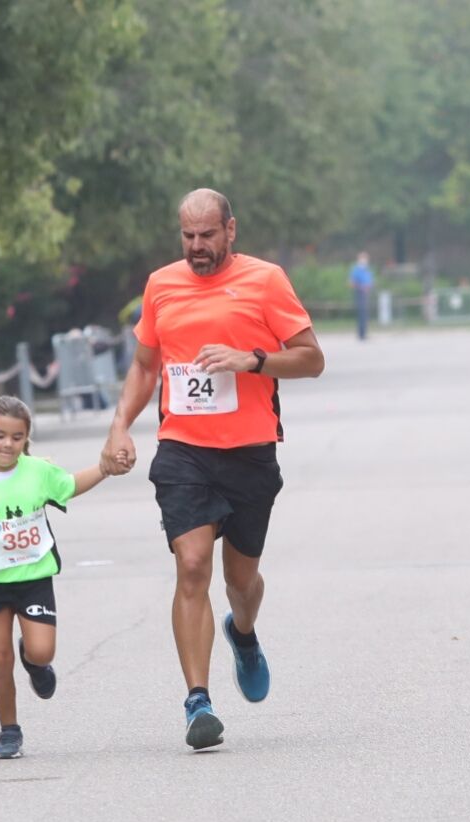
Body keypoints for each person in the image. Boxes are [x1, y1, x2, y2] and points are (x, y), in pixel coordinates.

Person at [100, 188, 324, 751]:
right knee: (192, 566)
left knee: (240, 582)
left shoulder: (266, 281)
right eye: (187, 236)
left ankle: (242, 633)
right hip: (184, 450)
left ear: (231, 230)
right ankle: (197, 702)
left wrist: (252, 360)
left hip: (249, 452)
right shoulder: (161, 285)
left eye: (207, 235)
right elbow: (145, 365)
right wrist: (120, 425)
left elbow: (312, 358)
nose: (197, 246)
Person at [0, 396, 111, 759]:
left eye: (16, 437)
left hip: (33, 578)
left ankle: (33, 662)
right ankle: (9, 730)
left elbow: (70, 485)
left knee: (42, 650)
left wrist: (105, 468)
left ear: (26, 438)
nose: (7, 444)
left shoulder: (37, 472)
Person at [348, 251, 373, 340]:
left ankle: (364, 333)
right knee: (361, 314)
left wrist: (368, 287)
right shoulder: (356, 269)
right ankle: (361, 334)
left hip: (366, 294)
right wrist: (361, 287)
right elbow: (352, 283)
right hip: (359, 293)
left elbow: (370, 281)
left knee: (365, 314)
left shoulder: (367, 269)